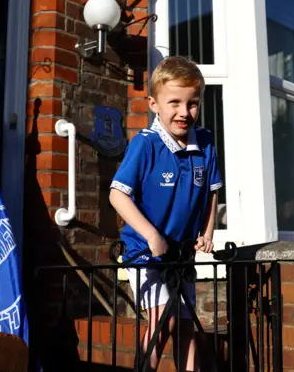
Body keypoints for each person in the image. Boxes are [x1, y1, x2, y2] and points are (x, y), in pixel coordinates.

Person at [109, 56, 222, 372]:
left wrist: (208, 232)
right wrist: (151, 235)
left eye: (193, 103)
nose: (184, 113)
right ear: (154, 103)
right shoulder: (146, 144)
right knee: (163, 320)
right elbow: (117, 194)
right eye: (174, 102)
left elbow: (212, 191)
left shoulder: (206, 143)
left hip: (183, 253)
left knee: (185, 323)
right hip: (147, 252)